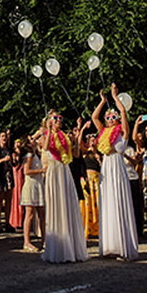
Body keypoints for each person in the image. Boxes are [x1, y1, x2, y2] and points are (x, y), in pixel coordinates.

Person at [91, 84, 138, 260]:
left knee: (118, 200)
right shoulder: (103, 132)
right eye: (108, 117)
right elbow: (94, 116)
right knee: (108, 203)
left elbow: (124, 114)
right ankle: (110, 246)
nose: (110, 119)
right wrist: (103, 101)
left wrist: (115, 97)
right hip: (106, 167)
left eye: (113, 117)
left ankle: (123, 247)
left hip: (117, 166)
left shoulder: (122, 132)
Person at [41, 110, 88, 263]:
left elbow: (74, 154)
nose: (59, 120)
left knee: (68, 205)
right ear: (50, 121)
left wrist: (77, 135)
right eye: (55, 118)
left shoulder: (64, 136)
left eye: (60, 118)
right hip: (54, 170)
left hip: (64, 170)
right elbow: (46, 147)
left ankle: (71, 247)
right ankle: (58, 248)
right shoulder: (46, 135)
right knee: (57, 205)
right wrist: (48, 131)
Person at [19, 135, 46, 252]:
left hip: (38, 185)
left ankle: (44, 239)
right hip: (31, 185)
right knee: (29, 214)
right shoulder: (29, 156)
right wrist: (42, 170)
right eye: (32, 139)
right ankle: (27, 241)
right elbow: (26, 171)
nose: (34, 140)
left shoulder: (36, 155)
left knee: (42, 214)